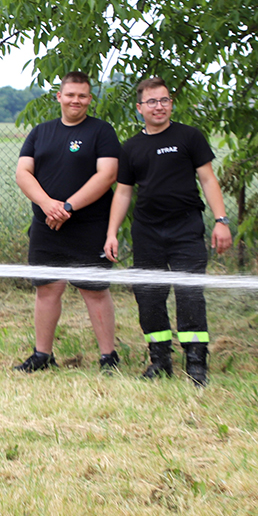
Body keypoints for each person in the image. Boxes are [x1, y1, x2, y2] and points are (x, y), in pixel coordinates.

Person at [104, 77, 233, 386]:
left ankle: (196, 363)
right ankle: (160, 361)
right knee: (149, 295)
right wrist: (111, 233)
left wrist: (221, 220)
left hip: (186, 228)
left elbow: (208, 179)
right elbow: (123, 193)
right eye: (151, 102)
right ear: (140, 108)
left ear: (171, 104)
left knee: (189, 294)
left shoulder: (190, 137)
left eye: (164, 100)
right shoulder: (130, 148)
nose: (158, 107)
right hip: (147, 232)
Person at [14, 71, 121, 373]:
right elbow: (23, 173)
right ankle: (42, 355)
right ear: (59, 97)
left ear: (90, 99)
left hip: (89, 226)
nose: (76, 100)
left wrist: (68, 207)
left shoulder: (102, 131)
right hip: (46, 226)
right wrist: (47, 205)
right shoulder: (40, 132)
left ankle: (108, 358)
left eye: (82, 95)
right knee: (47, 288)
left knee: (94, 290)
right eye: (70, 94)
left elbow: (108, 175)